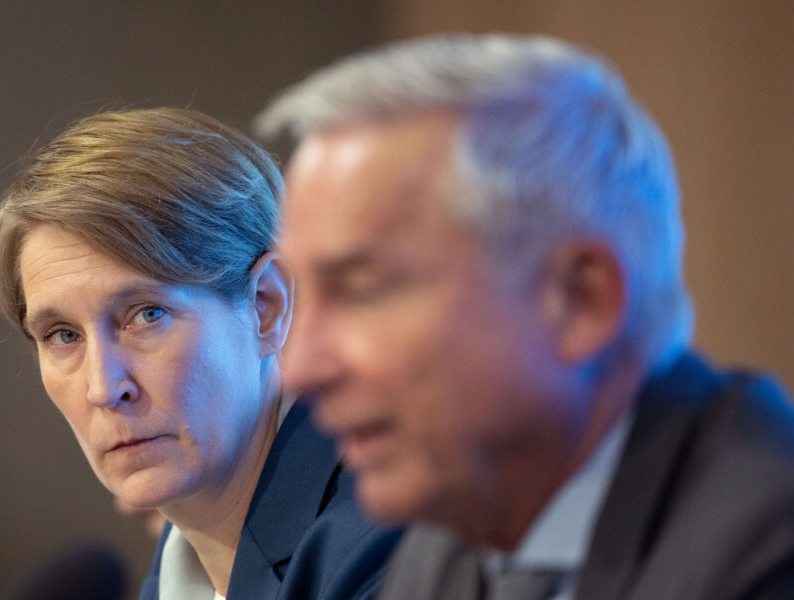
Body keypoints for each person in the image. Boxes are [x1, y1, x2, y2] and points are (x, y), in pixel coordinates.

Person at [255, 33, 794, 599]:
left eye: (363, 292)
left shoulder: (765, 550)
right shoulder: (446, 541)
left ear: (581, 299)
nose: (301, 371)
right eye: (308, 296)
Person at [0, 107, 399, 600]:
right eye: (64, 336)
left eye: (147, 315)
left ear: (266, 307)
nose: (105, 388)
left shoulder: (379, 554)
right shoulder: (175, 571)